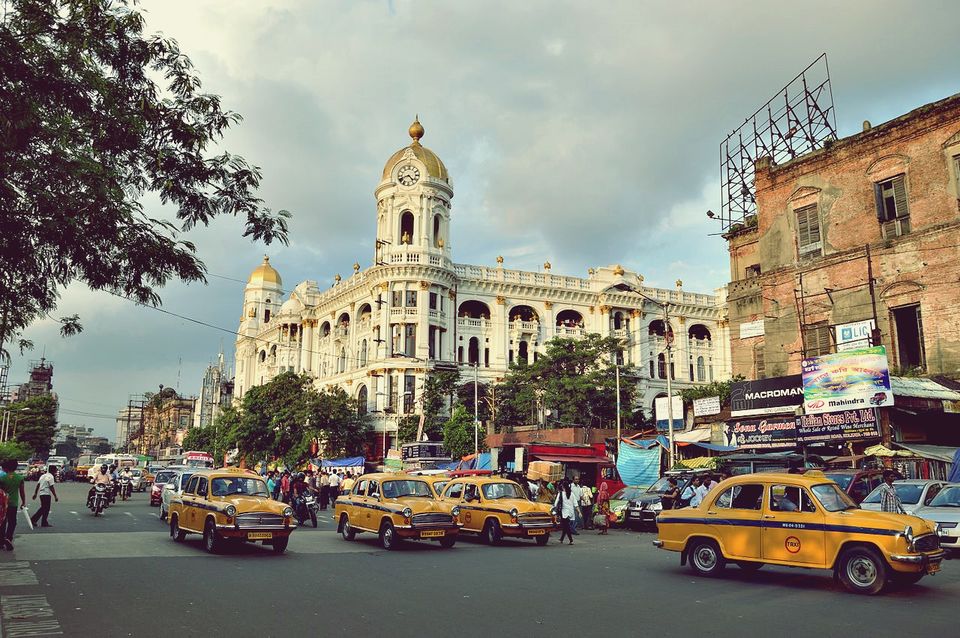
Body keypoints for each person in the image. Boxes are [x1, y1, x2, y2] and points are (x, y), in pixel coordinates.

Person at [0, 459, 26, 549]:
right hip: (13, 504)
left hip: (3, 504)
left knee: (3, 522)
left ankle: (1, 541)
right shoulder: (20, 478)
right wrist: (23, 502)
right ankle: (8, 538)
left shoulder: (2, 478)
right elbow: (22, 492)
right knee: (12, 522)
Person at [554, 480, 576, 545]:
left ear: (563, 487)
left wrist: (555, 510)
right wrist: (579, 512)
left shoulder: (560, 493)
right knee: (565, 525)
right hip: (570, 512)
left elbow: (556, 503)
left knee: (566, 526)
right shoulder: (571, 493)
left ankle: (571, 540)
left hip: (563, 512)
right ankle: (562, 539)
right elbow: (575, 503)